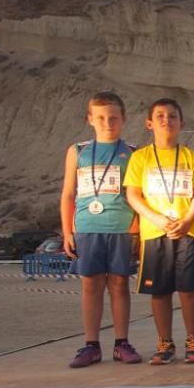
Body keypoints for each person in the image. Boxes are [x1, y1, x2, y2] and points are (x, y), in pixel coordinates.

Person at [124, 98, 194, 364]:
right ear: (149, 123)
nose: (166, 120)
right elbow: (133, 195)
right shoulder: (140, 157)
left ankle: (193, 340)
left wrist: (186, 221)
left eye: (173, 116)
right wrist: (157, 219)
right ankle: (164, 342)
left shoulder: (190, 157)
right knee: (159, 291)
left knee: (189, 290)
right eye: (160, 115)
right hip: (155, 233)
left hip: (186, 232)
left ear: (181, 123)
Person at [60, 91, 141, 367]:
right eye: (102, 118)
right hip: (87, 226)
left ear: (124, 119)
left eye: (114, 118)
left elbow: (137, 194)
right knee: (91, 286)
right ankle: (91, 345)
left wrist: (137, 230)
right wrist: (67, 231)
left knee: (119, 285)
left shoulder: (131, 152)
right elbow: (68, 194)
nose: (108, 123)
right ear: (90, 119)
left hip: (121, 227)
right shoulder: (78, 151)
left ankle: (122, 342)